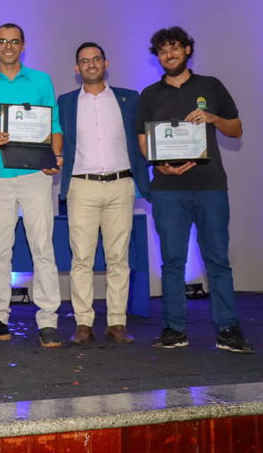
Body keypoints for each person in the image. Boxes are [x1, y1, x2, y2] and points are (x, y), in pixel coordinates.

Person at [136, 27, 252, 354]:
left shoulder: (210, 86)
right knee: (173, 261)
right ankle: (174, 328)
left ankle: (228, 329)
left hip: (210, 185)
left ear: (187, 49)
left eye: (174, 48)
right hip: (167, 190)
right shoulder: (149, 94)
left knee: (217, 260)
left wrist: (212, 117)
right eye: (161, 51)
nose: (168, 55)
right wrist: (159, 164)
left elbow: (236, 128)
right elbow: (144, 142)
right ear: (157, 56)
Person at [0, 23, 63, 348]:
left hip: (36, 175)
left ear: (23, 46)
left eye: (15, 41)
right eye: (2, 41)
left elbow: (54, 125)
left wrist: (56, 155)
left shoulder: (41, 80)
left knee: (43, 249)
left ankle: (48, 321)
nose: (8, 46)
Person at [58, 43, 151, 345]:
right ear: (77, 68)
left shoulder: (129, 99)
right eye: (84, 61)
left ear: (105, 63)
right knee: (81, 259)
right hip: (81, 186)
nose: (91, 64)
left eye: (96, 59)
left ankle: (116, 324)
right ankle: (83, 323)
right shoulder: (66, 102)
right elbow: (54, 140)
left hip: (120, 185)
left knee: (118, 259)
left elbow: (143, 138)